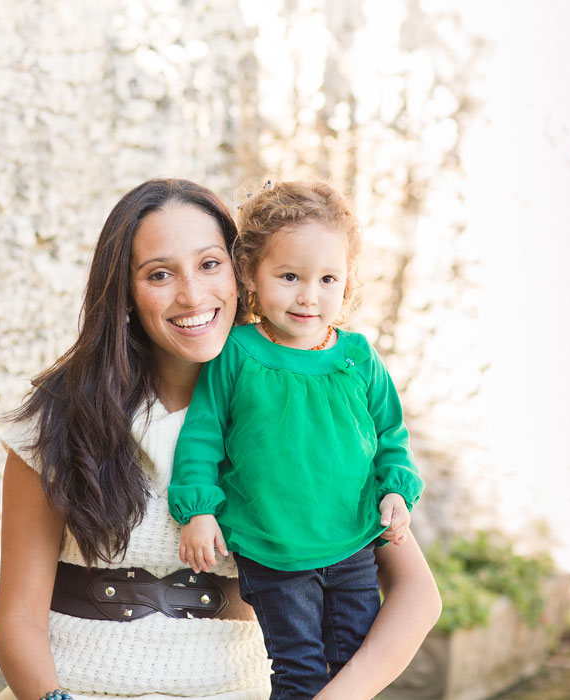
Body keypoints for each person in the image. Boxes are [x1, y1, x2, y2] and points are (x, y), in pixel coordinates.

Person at [0, 178, 441, 700]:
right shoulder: (61, 420)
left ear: (240, 272)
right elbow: (19, 616)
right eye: (160, 274)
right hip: (81, 690)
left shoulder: (311, 410)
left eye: (210, 265)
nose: (192, 294)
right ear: (125, 293)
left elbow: (417, 596)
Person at [168, 180, 423, 699]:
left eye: (328, 278)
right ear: (251, 276)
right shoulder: (237, 352)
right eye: (289, 276)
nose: (310, 295)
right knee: (300, 671)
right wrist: (197, 510)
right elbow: (202, 436)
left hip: (352, 545)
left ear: (346, 284)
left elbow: (390, 435)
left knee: (352, 666)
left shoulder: (357, 357)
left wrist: (397, 490)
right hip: (274, 550)